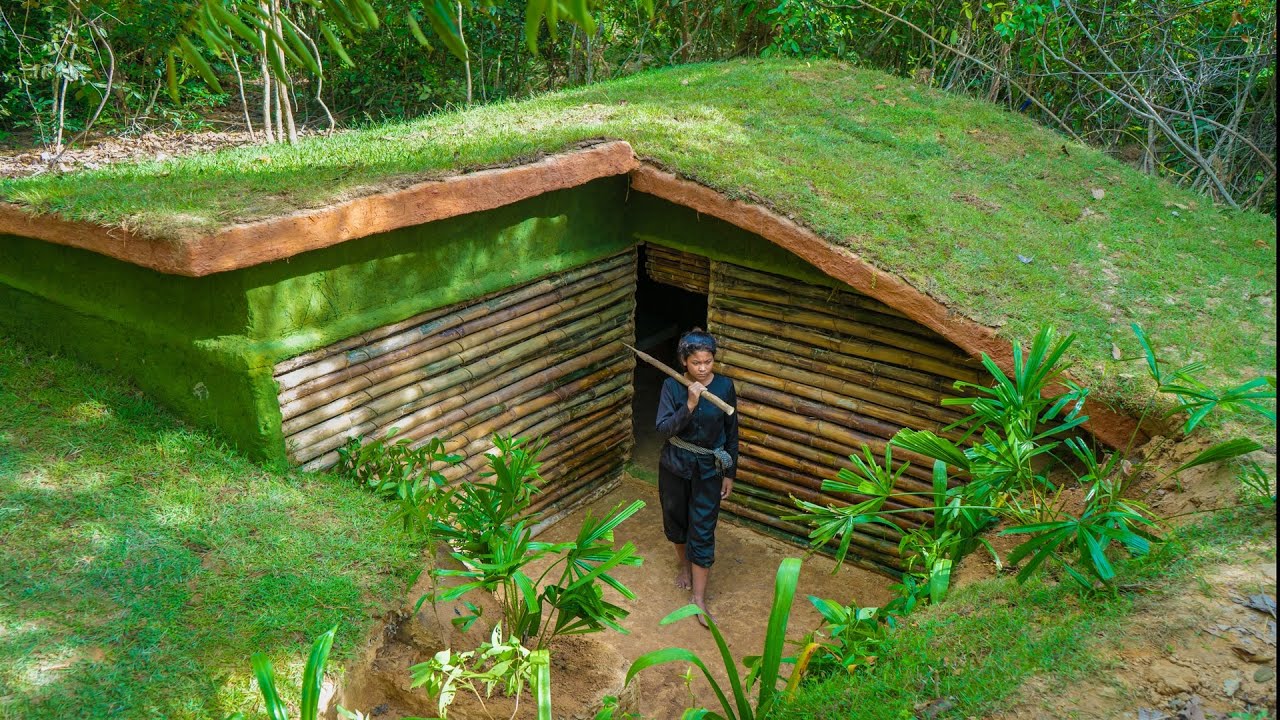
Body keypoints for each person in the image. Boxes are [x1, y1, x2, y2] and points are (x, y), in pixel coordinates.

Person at [655, 328, 739, 627]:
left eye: (708, 362)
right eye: (696, 363)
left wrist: (729, 471)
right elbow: (664, 429)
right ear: (684, 362)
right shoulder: (671, 386)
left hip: (709, 469)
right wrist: (689, 404)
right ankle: (684, 566)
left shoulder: (726, 387)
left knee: (703, 528)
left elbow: (732, 432)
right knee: (676, 520)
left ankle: (699, 599)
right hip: (675, 464)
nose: (703, 369)